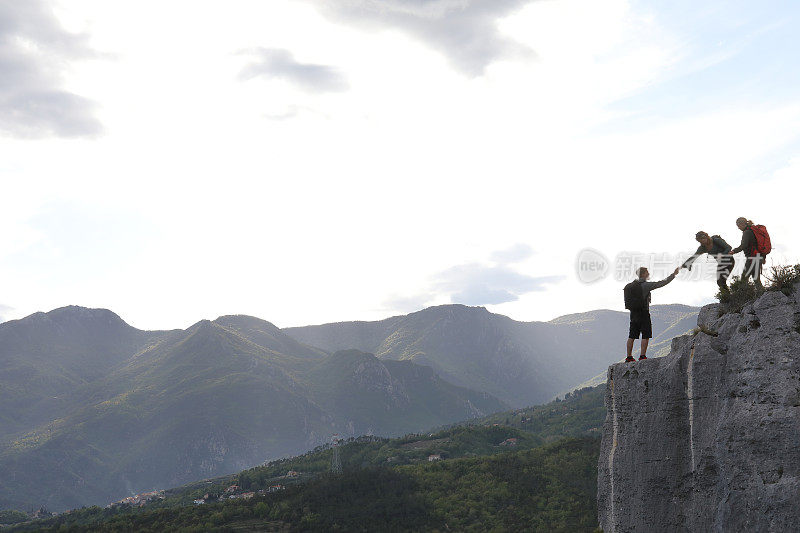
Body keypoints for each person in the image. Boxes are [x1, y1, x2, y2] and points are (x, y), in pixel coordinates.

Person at [625, 266, 680, 362]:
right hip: (643, 313)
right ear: (643, 274)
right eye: (647, 272)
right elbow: (662, 283)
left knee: (632, 335)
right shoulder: (645, 285)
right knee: (646, 334)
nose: (648, 274)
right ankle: (642, 356)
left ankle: (629, 357)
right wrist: (673, 275)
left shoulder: (631, 286)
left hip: (633, 314)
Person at [730, 217, 764, 290]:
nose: (738, 228)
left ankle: (743, 296)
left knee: (744, 277)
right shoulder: (752, 230)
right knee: (756, 278)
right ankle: (761, 294)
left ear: (742, 224)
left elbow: (744, 245)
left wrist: (734, 251)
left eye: (738, 226)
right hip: (758, 256)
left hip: (752, 257)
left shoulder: (747, 232)